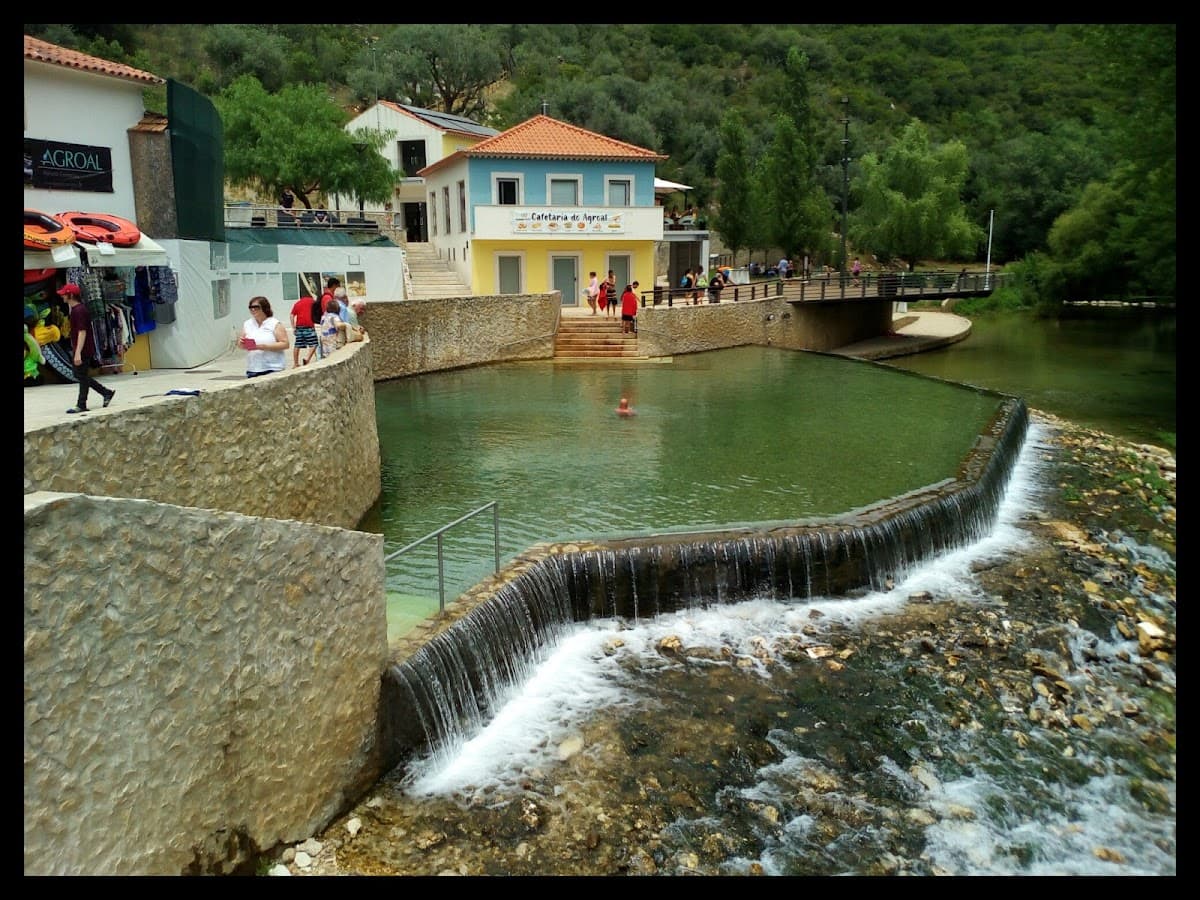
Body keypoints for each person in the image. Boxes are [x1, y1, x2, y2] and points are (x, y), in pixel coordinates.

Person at [59, 283, 116, 413]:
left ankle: (82, 404)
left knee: (81, 375)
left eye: (64, 294)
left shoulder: (78, 311)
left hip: (83, 348)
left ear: (71, 295)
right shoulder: (77, 309)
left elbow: (82, 332)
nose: (62, 296)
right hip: (82, 347)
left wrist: (78, 352)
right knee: (80, 375)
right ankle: (105, 392)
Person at [240, 296, 289, 378]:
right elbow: (240, 344)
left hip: (273, 368)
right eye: (250, 307)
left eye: (256, 307)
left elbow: (285, 344)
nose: (253, 310)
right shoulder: (247, 324)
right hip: (253, 368)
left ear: (264, 308)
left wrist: (264, 347)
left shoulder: (274, 323)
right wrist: (242, 343)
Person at [290, 295, 319, 366]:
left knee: (297, 344)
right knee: (314, 343)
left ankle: (295, 363)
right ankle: (307, 358)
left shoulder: (298, 303)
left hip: (299, 326)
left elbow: (291, 315)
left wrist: (293, 327)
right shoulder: (312, 302)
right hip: (309, 325)